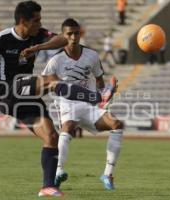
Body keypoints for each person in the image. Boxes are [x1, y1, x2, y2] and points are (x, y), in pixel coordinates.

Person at [0, 1, 114, 197]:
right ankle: (97, 97)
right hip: (7, 92)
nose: (40, 23)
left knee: (51, 136)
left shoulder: (37, 34)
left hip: (27, 96)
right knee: (52, 80)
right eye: (36, 20)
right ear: (23, 21)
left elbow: (64, 39)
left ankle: (47, 187)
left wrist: (38, 46)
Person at [42, 18, 124, 190]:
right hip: (67, 103)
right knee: (68, 126)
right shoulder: (55, 60)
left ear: (80, 34)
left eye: (76, 33)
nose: (73, 37)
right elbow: (44, 83)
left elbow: (100, 81)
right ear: (63, 36)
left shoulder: (92, 55)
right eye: (69, 34)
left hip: (89, 105)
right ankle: (58, 172)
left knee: (116, 124)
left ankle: (108, 174)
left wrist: (105, 95)